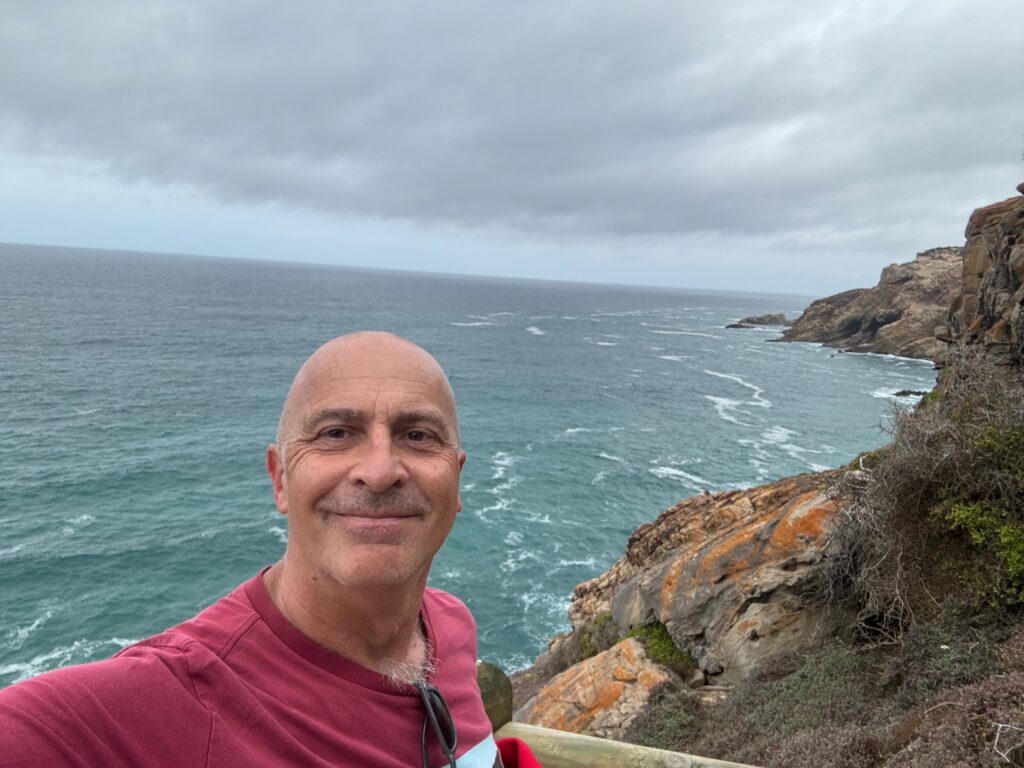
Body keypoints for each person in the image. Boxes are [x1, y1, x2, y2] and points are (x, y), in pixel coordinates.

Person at [0, 332, 534, 767]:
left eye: (417, 435)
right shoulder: (180, 692)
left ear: (456, 481)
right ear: (280, 479)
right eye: (335, 433)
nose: (379, 471)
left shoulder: (449, 624)